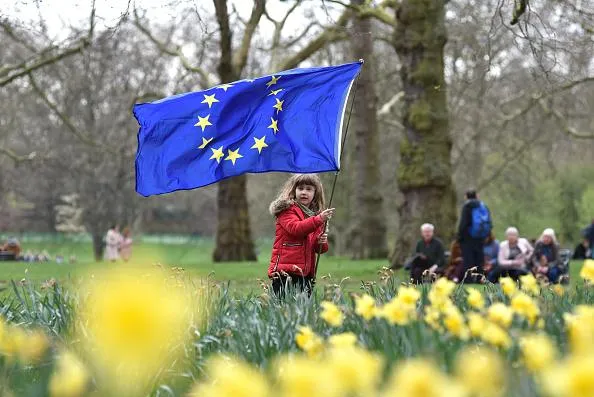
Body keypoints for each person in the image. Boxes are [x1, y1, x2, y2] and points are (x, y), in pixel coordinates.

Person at [267, 174, 333, 298]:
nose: (304, 192)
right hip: (285, 272)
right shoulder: (286, 210)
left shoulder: (315, 215)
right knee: (283, 308)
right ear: (293, 190)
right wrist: (319, 219)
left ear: (315, 193)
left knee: (302, 311)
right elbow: (296, 228)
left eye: (309, 189)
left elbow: (320, 249)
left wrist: (321, 242)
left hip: (306, 273)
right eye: (300, 188)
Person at [457, 189, 492, 283]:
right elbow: (489, 221)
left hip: (467, 237)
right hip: (480, 236)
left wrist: (459, 237)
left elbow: (464, 223)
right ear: (476, 195)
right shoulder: (483, 206)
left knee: (468, 259)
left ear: (466, 196)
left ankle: (468, 280)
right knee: (479, 259)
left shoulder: (467, 206)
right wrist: (486, 234)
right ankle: (480, 279)